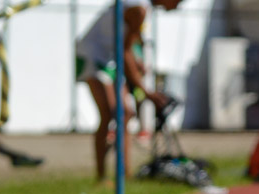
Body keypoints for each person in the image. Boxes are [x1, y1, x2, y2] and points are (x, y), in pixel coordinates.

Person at [76, 0, 181, 181]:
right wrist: (146, 91)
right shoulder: (138, 9)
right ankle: (101, 176)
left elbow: (129, 44)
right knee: (109, 112)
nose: (178, 6)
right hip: (93, 55)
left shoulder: (143, 7)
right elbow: (124, 53)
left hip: (110, 56)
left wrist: (137, 60)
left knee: (125, 113)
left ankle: (124, 174)